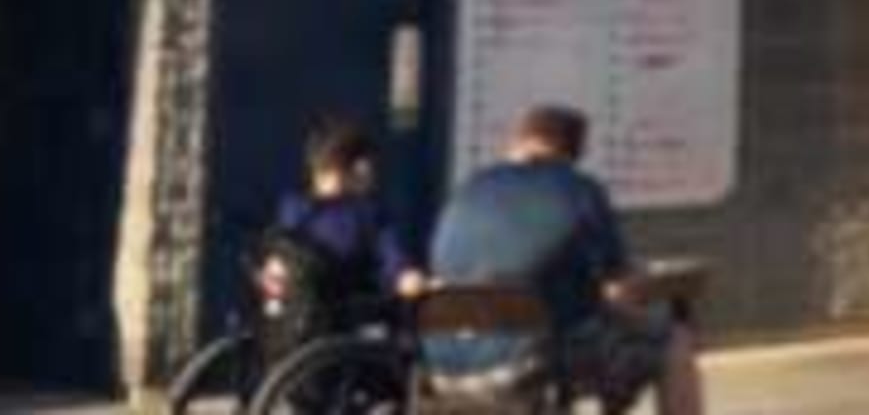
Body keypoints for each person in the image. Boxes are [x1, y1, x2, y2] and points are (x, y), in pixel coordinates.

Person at [427, 106, 703, 415]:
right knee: (671, 338)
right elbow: (619, 288)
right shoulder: (580, 191)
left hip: (443, 369)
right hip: (529, 368)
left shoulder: (468, 189)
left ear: (518, 140)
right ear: (574, 152)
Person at [273, 114, 426, 306]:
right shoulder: (296, 208)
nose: (367, 171)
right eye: (354, 162)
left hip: (354, 320)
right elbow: (284, 261)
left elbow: (392, 259)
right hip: (302, 321)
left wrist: (405, 278)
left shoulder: (371, 213)